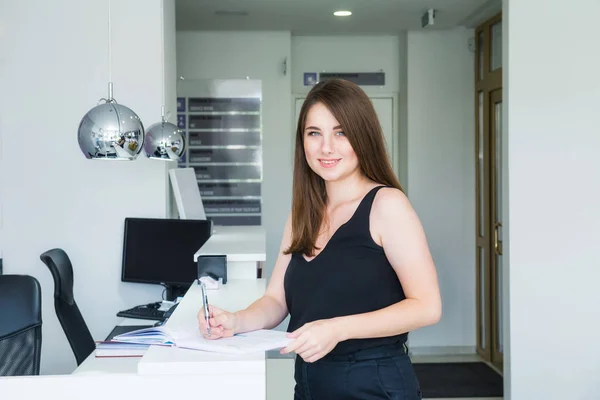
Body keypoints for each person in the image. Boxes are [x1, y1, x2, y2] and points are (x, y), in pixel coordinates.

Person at [198, 78, 442, 399]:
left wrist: (337, 329)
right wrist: (235, 320)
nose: (326, 147)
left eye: (340, 132)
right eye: (315, 133)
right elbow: (276, 301)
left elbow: (426, 307)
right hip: (309, 382)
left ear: (363, 137)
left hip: (372, 383)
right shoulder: (303, 213)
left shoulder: (387, 205)